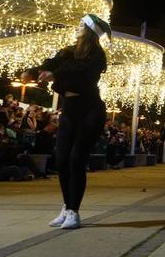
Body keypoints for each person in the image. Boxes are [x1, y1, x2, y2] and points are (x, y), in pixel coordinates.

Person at [22, 14, 110, 230]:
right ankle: (66, 205)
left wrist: (55, 74)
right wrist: (33, 72)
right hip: (69, 109)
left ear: (90, 31)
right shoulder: (67, 51)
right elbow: (51, 63)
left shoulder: (97, 56)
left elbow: (81, 73)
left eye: (82, 25)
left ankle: (74, 212)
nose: (77, 28)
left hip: (90, 110)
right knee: (61, 159)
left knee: (76, 159)